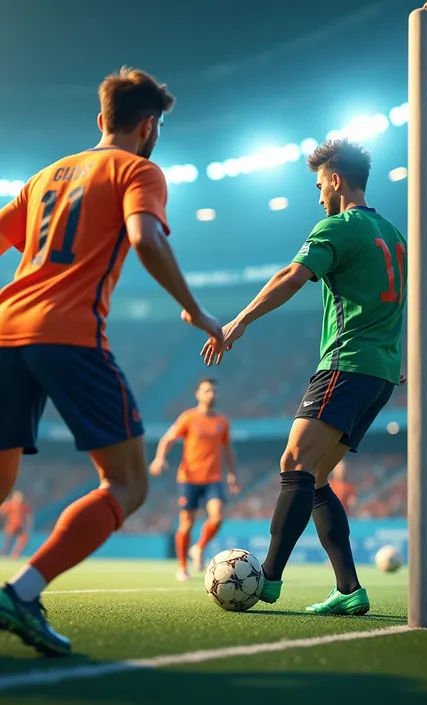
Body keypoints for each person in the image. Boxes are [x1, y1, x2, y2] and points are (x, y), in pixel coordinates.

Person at [0, 66, 223, 655]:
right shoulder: (139, 170)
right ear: (150, 126)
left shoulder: (44, 175)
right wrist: (197, 312)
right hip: (67, 334)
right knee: (126, 483)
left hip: (4, 332)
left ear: (101, 119)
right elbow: (146, 238)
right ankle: (22, 591)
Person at [201, 138, 427, 616]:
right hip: (382, 374)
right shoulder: (392, 232)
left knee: (294, 460)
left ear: (334, 180)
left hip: (345, 365)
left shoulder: (338, 227)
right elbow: (421, 278)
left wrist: (239, 320)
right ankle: (348, 588)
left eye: (318, 184)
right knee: (320, 476)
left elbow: (292, 275)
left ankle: (268, 577)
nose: (317, 195)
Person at [150, 378, 239, 581]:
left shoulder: (222, 422)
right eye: (207, 391)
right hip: (188, 478)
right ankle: (182, 567)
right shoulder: (188, 418)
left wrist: (232, 473)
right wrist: (160, 458)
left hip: (213, 478)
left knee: (217, 518)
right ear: (198, 394)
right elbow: (168, 438)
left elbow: (228, 449)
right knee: (187, 525)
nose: (211, 394)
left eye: (214, 391)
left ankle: (198, 548)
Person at [1, 491, 33, 559]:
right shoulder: (10, 504)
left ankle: (15, 554)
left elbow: (29, 515)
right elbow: (2, 511)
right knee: (7, 544)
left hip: (20, 527)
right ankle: (3, 556)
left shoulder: (23, 505)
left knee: (24, 539)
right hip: (11, 527)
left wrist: (28, 523)